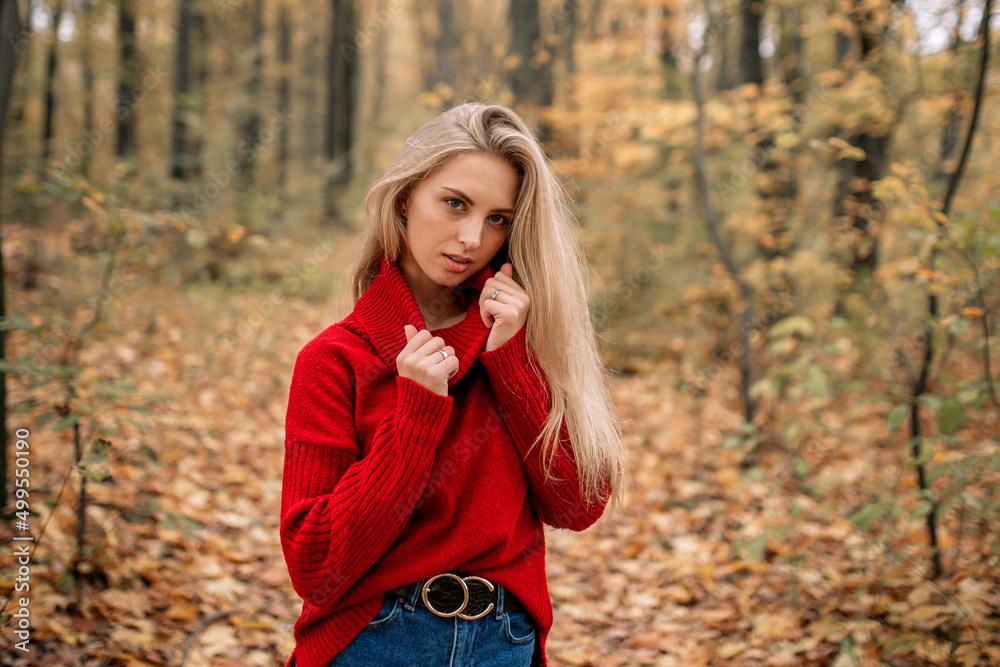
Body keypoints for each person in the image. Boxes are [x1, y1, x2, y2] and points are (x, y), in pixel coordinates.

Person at [279, 103, 629, 667]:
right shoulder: (334, 360)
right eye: (454, 204)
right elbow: (317, 566)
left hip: (502, 644)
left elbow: (579, 504)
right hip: (374, 640)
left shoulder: (522, 345)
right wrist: (416, 413)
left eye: (498, 219)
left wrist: (512, 363)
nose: (471, 238)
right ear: (404, 200)